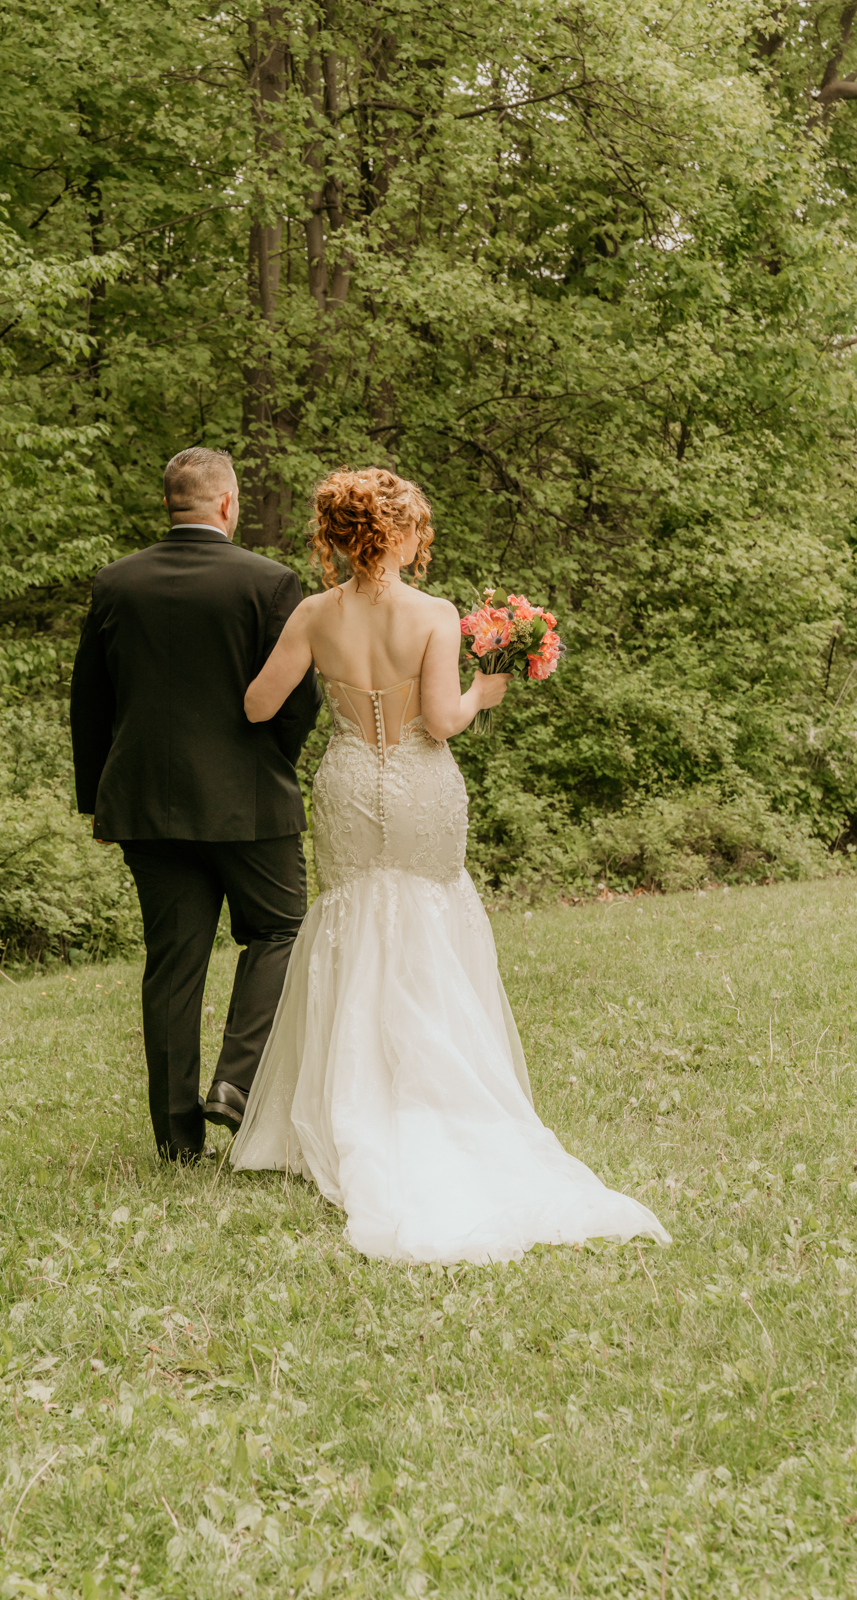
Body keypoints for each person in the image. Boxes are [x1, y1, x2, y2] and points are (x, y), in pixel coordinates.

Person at [230, 467, 670, 1263]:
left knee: (350, 923)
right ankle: (433, 1098)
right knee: (426, 919)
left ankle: (344, 1103)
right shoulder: (432, 614)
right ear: (398, 535)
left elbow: (258, 704)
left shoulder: (312, 614)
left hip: (346, 782)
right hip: (419, 785)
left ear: (339, 538)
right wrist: (483, 691)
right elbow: (440, 721)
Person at [70, 448, 322, 1163]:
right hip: (251, 801)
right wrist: (271, 764)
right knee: (279, 931)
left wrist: (98, 801)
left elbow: (89, 700)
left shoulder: (116, 583)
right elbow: (298, 700)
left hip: (147, 805)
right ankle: (235, 1082)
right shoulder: (269, 582)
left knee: (173, 965)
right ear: (228, 504)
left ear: (168, 504)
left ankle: (176, 1141)